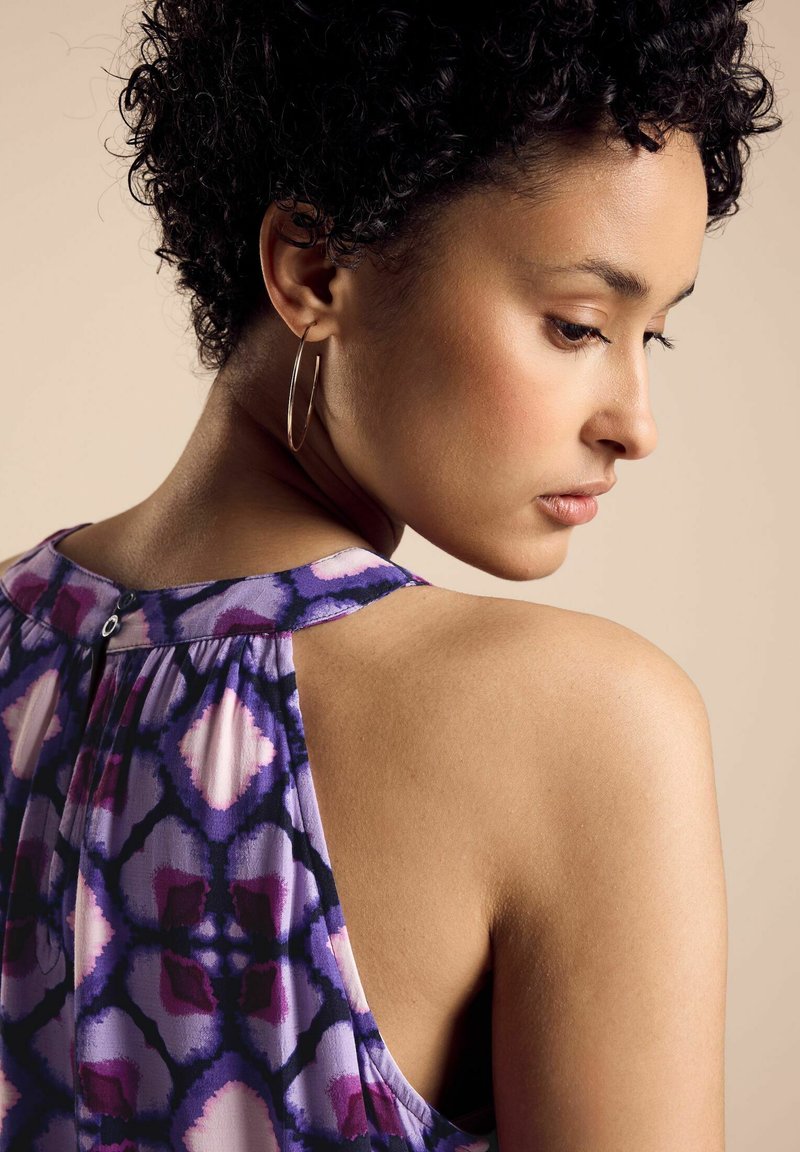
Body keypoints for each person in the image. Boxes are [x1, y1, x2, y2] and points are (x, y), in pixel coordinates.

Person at [0, 3, 782, 1149]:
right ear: (313, 270)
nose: (635, 423)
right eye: (577, 325)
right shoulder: (580, 724)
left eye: (647, 335)